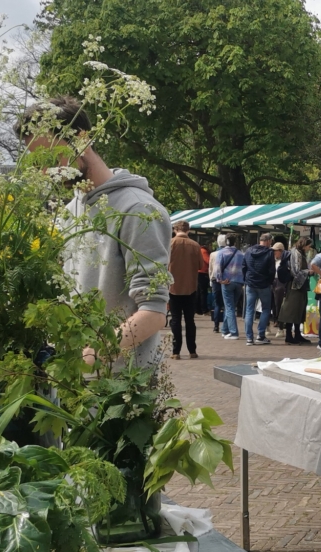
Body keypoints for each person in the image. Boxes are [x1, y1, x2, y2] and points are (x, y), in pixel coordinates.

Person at [18, 96, 171, 367]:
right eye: (37, 160)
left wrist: (87, 358)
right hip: (73, 384)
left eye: (51, 156)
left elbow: (153, 313)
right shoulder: (70, 211)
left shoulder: (139, 209)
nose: (44, 170)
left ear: (82, 139)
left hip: (123, 391)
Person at [168, 221, 203, 360]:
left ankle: (176, 351)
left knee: (175, 319)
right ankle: (192, 350)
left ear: (175, 230)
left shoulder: (170, 243)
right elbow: (201, 265)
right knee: (190, 320)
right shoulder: (195, 245)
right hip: (190, 287)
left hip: (173, 287)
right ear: (188, 230)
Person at [241, 233, 275, 346]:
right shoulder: (269, 253)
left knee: (249, 310)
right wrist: (269, 282)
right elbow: (271, 271)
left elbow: (244, 266)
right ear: (268, 241)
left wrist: (246, 279)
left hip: (250, 283)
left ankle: (249, 338)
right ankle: (260, 335)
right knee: (265, 309)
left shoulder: (249, 251)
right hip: (264, 284)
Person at [278, 237, 313, 344]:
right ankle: (289, 336)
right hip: (295, 286)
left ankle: (297, 334)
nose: (309, 248)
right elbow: (296, 271)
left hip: (299, 286)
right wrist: (308, 272)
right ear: (303, 245)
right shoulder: (296, 254)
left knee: (299, 310)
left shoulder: (298, 252)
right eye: (308, 246)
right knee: (292, 311)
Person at [216, 234, 245, 340]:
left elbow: (218, 268)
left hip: (227, 282)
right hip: (239, 282)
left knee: (229, 307)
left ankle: (233, 332)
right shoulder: (240, 253)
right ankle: (225, 330)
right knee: (231, 307)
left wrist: (219, 280)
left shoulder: (221, 252)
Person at [209, 234, 226, 333]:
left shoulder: (213, 254)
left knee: (217, 304)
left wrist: (211, 280)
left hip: (215, 280)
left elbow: (210, 269)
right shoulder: (228, 252)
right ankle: (225, 325)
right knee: (226, 304)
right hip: (226, 280)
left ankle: (216, 326)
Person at [271, 242, 287, 337]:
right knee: (272, 303)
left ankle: (280, 326)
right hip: (272, 282)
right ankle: (275, 321)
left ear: (280, 251)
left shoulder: (284, 261)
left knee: (278, 304)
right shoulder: (273, 260)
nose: (274, 253)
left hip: (280, 283)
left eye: (275, 251)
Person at [196, 242, 211, 316]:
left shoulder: (198, 250)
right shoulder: (203, 251)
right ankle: (204, 310)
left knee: (199, 292)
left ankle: (198, 309)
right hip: (202, 273)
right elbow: (208, 261)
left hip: (198, 273)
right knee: (203, 292)